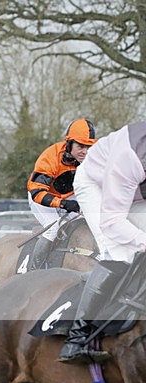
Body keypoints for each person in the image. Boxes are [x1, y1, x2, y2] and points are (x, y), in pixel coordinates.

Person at [59, 121, 146, 364]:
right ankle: (76, 337)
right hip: (95, 184)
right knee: (118, 251)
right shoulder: (129, 158)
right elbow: (113, 223)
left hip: (134, 189)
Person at [26, 118, 97, 270]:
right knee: (53, 227)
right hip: (42, 198)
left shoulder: (92, 159)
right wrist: (63, 204)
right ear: (69, 143)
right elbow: (37, 192)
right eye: (80, 146)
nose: (85, 151)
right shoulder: (51, 156)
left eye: (89, 146)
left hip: (69, 196)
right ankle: (33, 270)